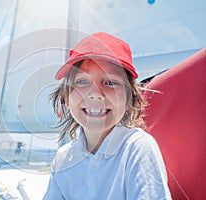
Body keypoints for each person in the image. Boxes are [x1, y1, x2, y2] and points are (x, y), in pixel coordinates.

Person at [43, 32, 171, 199]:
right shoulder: (62, 159)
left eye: (110, 82)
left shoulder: (137, 148)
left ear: (128, 99)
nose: (95, 94)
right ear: (66, 97)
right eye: (82, 82)